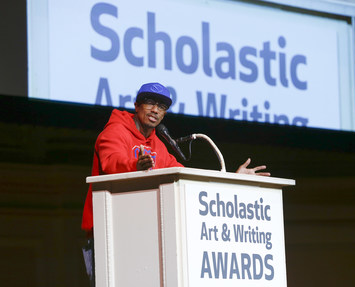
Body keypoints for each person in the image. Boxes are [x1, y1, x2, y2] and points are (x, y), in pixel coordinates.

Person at [81, 82, 270, 285]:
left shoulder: (159, 147)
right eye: (150, 103)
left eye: (161, 106)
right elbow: (111, 162)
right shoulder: (115, 132)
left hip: (143, 233)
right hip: (107, 233)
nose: (155, 110)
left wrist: (233, 178)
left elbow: (186, 178)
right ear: (136, 105)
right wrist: (134, 165)